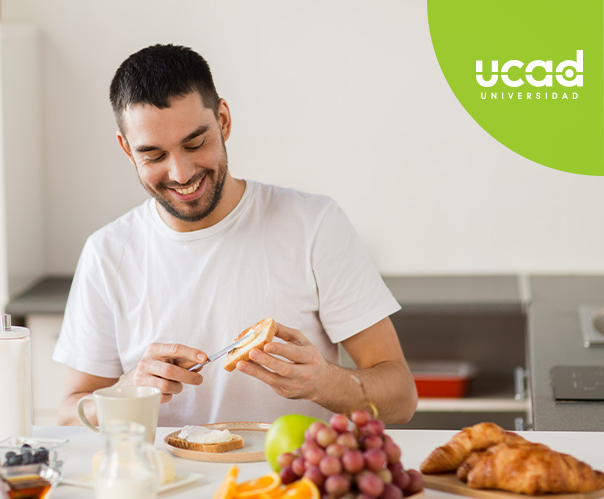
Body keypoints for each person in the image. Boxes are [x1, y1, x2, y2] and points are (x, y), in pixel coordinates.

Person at [53, 44, 417, 427]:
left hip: (291, 483)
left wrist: (323, 382)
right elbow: (67, 414)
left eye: (195, 143)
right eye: (154, 156)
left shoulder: (314, 224)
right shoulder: (108, 252)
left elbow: (401, 398)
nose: (180, 173)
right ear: (127, 149)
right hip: (167, 486)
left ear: (223, 120)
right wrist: (127, 392)